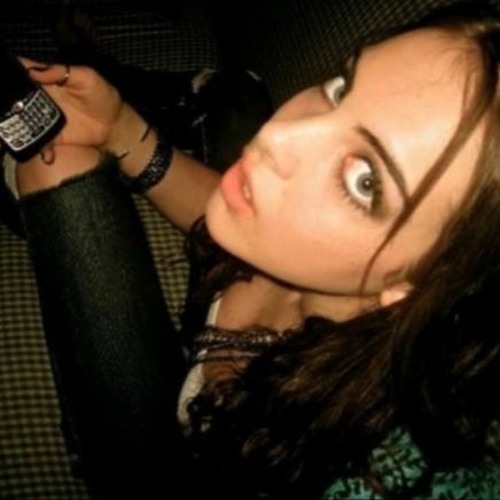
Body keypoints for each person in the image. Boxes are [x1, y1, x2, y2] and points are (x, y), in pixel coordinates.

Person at [9, 0, 500, 498]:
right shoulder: (296, 239)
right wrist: (121, 129)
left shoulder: (374, 470)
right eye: (341, 89)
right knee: (229, 94)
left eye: (366, 180)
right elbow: (221, 211)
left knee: (51, 164)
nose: (278, 135)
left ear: (424, 281)